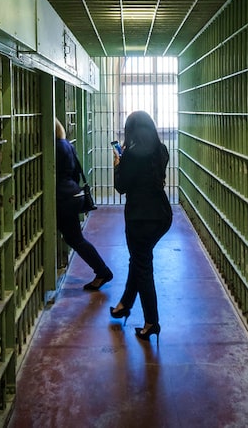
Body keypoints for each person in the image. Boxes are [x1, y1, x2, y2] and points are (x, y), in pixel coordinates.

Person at [109, 111, 173, 342]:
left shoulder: (131, 156)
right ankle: (124, 304)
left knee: (142, 266)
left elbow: (121, 187)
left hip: (139, 218)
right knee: (139, 259)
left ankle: (151, 322)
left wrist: (118, 164)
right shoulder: (162, 150)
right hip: (162, 216)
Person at [55, 118, 113, 291]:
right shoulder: (66, 144)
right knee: (74, 238)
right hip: (71, 195)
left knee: (75, 239)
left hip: (62, 198)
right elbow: (75, 174)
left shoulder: (54, 148)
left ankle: (102, 271)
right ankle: (102, 271)